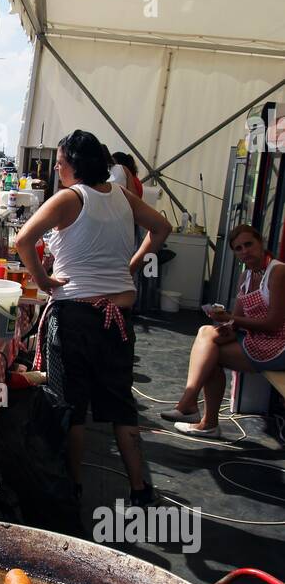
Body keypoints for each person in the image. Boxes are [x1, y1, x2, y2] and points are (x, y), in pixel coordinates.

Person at [15, 129, 171, 506]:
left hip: (76, 314)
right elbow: (163, 227)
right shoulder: (122, 196)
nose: (56, 166)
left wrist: (43, 280)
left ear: (73, 165)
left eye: (61, 161)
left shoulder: (69, 198)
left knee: (72, 406)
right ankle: (139, 488)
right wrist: (129, 268)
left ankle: (74, 485)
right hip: (117, 315)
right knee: (121, 405)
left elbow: (23, 240)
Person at [161, 224, 285, 438]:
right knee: (206, 332)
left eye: (249, 244)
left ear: (260, 243)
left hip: (277, 344)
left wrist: (231, 319)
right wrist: (227, 325)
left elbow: (273, 324)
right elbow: (237, 318)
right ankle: (192, 405)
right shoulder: (245, 277)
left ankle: (200, 414)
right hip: (255, 338)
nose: (245, 251)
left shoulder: (278, 271)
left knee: (211, 355)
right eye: (238, 248)